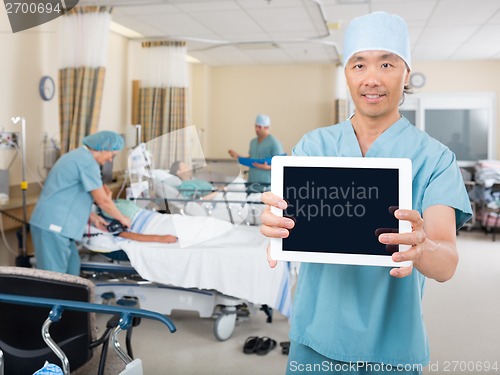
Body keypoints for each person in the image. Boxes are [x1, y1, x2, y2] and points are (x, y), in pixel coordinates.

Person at [260, 11, 472, 375]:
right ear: (346, 73)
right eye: (359, 65)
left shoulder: (435, 158)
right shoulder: (313, 147)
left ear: (407, 74)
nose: (371, 78)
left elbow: (446, 264)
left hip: (392, 343)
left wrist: (423, 246)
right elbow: (286, 223)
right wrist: (273, 226)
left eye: (386, 63)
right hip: (316, 334)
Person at [30, 131, 132, 276]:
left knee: (72, 271)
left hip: (59, 226)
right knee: (53, 278)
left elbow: (70, 194)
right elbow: (102, 200)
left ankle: (70, 298)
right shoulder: (87, 163)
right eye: (112, 155)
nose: (110, 160)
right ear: (104, 148)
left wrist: (92, 217)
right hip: (53, 226)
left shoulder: (77, 157)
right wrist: (123, 219)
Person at [228, 114, 284, 192]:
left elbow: (281, 163)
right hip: (252, 182)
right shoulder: (253, 142)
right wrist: (238, 156)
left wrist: (267, 167)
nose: (257, 129)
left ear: (267, 127)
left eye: (259, 127)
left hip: (266, 184)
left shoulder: (274, 143)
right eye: (256, 126)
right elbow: (252, 158)